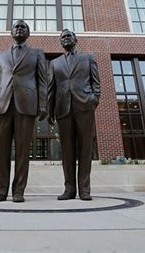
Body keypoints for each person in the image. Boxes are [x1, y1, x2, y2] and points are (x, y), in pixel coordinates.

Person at [0, 20, 48, 203]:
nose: (19, 29)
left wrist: (43, 105)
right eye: (16, 26)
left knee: (22, 151)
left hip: (26, 105)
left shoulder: (37, 53)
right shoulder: (0, 55)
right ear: (11, 32)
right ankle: (0, 191)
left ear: (28, 33)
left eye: (23, 27)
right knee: (1, 150)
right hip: (3, 104)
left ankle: (18, 191)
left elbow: (42, 80)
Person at [48, 29, 100, 201]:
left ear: (76, 39)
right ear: (60, 42)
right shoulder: (55, 63)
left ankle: (84, 189)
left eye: (69, 36)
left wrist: (94, 100)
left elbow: (96, 82)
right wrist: (50, 110)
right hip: (63, 109)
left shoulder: (88, 58)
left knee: (85, 149)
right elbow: (51, 89)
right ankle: (69, 189)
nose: (66, 39)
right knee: (67, 151)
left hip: (84, 106)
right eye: (63, 37)